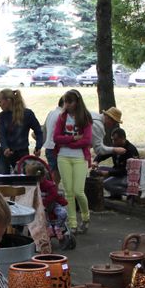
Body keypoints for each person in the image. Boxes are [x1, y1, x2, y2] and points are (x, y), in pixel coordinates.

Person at [53, 89, 93, 234]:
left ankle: (85, 216)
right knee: (68, 192)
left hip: (79, 158)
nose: (67, 105)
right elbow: (56, 138)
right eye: (65, 102)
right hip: (63, 157)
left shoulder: (85, 117)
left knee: (78, 191)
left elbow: (87, 140)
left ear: (77, 102)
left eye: (70, 102)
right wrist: (73, 138)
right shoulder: (62, 117)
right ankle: (73, 223)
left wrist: (69, 143)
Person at [0, 89, 43, 174]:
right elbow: (1, 134)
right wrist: (5, 148)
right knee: (2, 178)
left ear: (8, 100)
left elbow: (38, 131)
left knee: (22, 179)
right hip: (4, 153)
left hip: (22, 153)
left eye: (0, 101)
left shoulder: (28, 114)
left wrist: (38, 147)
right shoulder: (2, 116)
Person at [93, 127, 139, 199]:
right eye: (112, 140)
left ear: (123, 138)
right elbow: (103, 154)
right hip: (116, 171)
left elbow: (125, 171)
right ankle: (115, 195)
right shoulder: (116, 146)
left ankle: (130, 193)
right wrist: (96, 161)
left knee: (106, 183)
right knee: (98, 170)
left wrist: (108, 173)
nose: (113, 142)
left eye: (115, 140)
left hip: (127, 176)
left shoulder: (131, 150)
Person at [42, 96, 64, 183]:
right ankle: (53, 189)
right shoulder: (61, 115)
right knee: (55, 174)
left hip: (49, 146)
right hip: (55, 147)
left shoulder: (51, 113)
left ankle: (53, 188)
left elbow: (44, 129)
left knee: (54, 171)